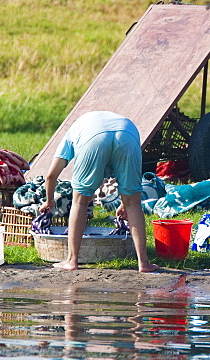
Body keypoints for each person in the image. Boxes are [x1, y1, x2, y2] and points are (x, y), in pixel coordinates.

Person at [40, 111, 158, 273]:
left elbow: (51, 175)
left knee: (79, 201)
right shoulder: (107, 122)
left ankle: (71, 260)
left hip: (93, 139)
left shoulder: (72, 131)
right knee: (134, 203)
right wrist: (126, 203)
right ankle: (144, 263)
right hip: (127, 134)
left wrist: (49, 201)